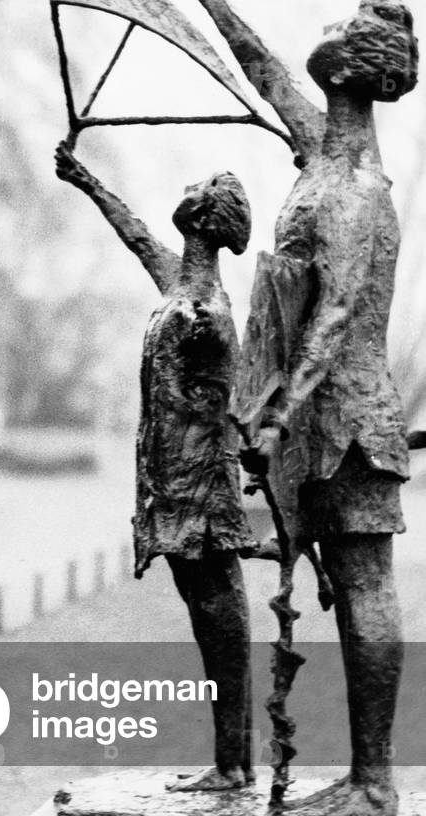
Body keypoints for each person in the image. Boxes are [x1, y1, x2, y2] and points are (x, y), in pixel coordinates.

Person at [225, 3, 418, 814]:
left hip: (346, 419)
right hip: (321, 416)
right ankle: (362, 775)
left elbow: (335, 312)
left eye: (339, 28)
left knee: (363, 581)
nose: (321, 32)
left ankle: (372, 780)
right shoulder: (323, 154)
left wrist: (277, 413)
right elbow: (263, 68)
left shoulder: (353, 187)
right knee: (346, 577)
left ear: (345, 68)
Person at [56, 146, 255, 791]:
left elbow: (224, 400)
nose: (187, 184)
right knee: (207, 621)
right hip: (170, 486)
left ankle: (233, 765)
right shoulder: (180, 283)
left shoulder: (205, 312)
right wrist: (87, 180)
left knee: (218, 624)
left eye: (198, 185)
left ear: (203, 218)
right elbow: (135, 231)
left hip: (196, 488)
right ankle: (230, 761)